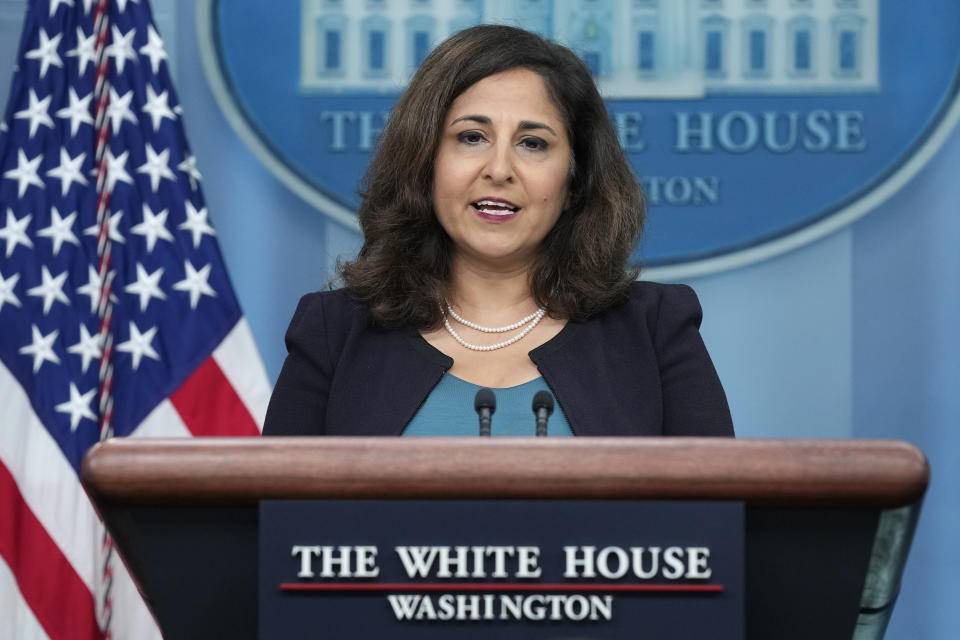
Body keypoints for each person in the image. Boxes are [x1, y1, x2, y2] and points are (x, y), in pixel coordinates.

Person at [263, 25, 733, 437]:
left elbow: (715, 528)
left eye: (533, 143)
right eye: (472, 137)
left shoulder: (654, 330)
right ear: (425, 161)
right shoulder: (334, 332)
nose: (500, 169)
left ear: (573, 181)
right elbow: (278, 528)